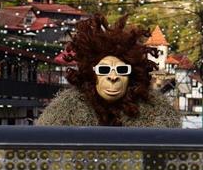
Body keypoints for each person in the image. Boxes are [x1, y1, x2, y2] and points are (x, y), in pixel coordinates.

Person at [37, 15, 180, 128]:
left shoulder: (157, 112)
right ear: (91, 74)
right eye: (104, 70)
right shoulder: (65, 111)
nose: (113, 76)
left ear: (131, 76)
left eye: (122, 70)